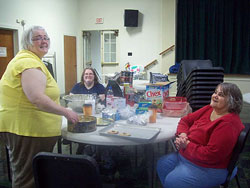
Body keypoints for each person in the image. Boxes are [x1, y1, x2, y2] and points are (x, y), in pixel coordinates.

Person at [0, 26, 79, 188]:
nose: (44, 41)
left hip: (28, 129)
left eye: (46, 37)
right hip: (28, 130)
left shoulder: (29, 60)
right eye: (38, 38)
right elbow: (37, 98)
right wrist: (66, 111)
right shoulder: (28, 63)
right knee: (27, 179)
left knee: (33, 175)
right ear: (27, 42)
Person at [157, 82, 244, 188]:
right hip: (188, 156)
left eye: (221, 95)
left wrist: (187, 145)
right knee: (162, 164)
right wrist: (183, 135)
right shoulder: (210, 109)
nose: (215, 96)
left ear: (232, 102)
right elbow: (185, 120)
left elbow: (211, 155)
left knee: (173, 181)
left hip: (210, 167)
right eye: (215, 92)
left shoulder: (228, 124)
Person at [70, 67, 105, 154]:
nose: (88, 76)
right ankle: (82, 147)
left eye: (90, 74)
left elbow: (102, 100)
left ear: (94, 76)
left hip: (95, 113)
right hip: (79, 113)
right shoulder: (77, 86)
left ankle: (95, 149)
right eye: (86, 74)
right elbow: (71, 98)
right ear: (83, 76)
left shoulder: (100, 87)